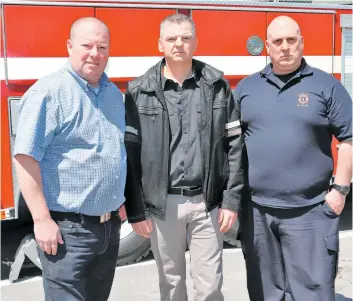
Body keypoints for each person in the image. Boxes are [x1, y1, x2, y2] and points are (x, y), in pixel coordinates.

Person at [123, 13, 245, 301]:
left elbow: (235, 147)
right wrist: (136, 209)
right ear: (160, 44)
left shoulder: (217, 85)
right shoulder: (139, 91)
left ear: (196, 42)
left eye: (186, 37)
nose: (179, 43)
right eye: (172, 38)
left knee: (211, 285)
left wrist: (230, 201)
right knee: (171, 283)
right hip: (163, 205)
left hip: (207, 203)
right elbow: (130, 155)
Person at [233, 16, 352, 301]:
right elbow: (231, 146)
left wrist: (340, 190)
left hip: (310, 211)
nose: (285, 47)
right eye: (278, 41)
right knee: (265, 292)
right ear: (267, 46)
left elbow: (349, 139)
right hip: (258, 212)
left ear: (302, 42)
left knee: (312, 292)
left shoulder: (327, 86)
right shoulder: (247, 89)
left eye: (291, 40)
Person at [13, 17, 127, 301]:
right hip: (68, 233)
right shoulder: (48, 93)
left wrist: (120, 199)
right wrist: (41, 220)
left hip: (109, 229)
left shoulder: (113, 94)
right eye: (87, 45)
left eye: (102, 46)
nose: (95, 53)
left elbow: (113, 151)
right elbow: (25, 158)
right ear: (69, 46)